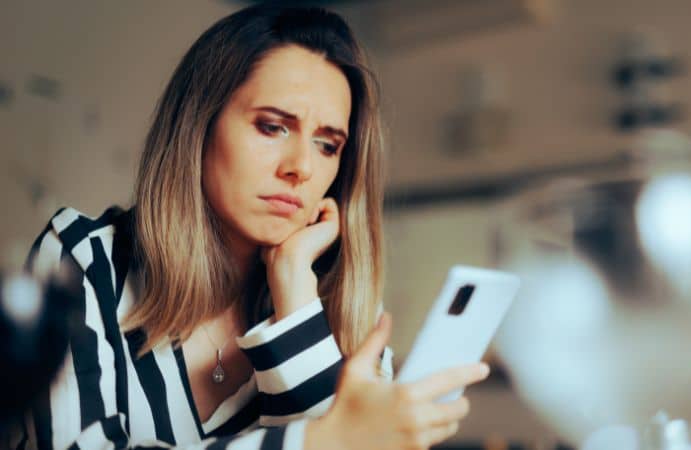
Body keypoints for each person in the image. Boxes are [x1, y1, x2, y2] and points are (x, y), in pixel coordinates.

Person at [9, 5, 490, 450]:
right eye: (272, 126)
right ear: (199, 124)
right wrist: (321, 441)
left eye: (328, 145)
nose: (301, 167)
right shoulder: (85, 259)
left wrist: (296, 292)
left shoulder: (346, 313)